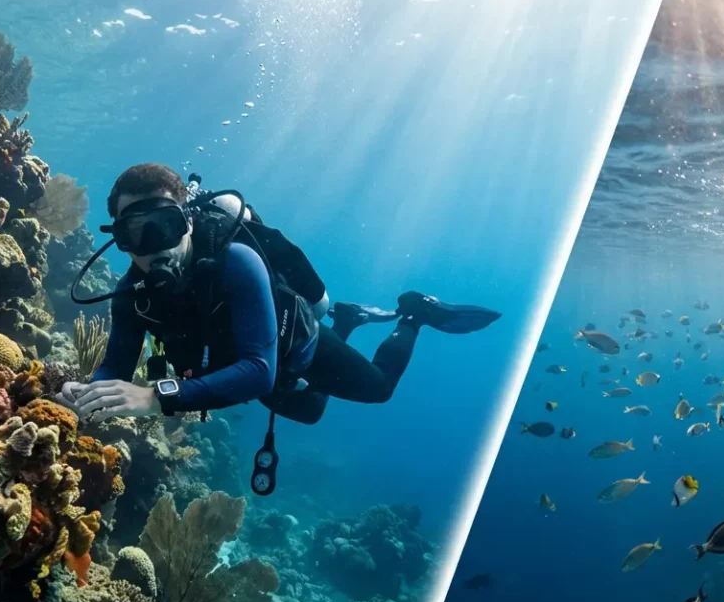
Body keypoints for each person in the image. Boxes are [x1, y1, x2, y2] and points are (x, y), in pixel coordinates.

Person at [57, 163, 499, 451]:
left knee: (380, 388)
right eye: (137, 235)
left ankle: (413, 316)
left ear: (188, 221)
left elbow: (259, 371)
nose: (157, 250)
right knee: (309, 412)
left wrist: (156, 396)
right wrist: (87, 391)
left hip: (290, 350)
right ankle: (349, 319)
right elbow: (113, 368)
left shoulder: (236, 260)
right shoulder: (133, 294)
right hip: (229, 372)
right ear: (120, 242)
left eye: (167, 227)